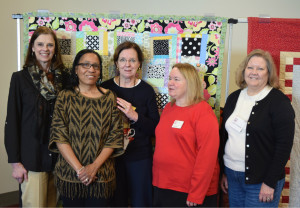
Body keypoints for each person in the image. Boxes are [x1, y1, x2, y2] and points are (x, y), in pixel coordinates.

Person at [49, 49, 124, 207]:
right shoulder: (65, 96)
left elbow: (115, 135)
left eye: (95, 66)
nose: (91, 69)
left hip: (102, 175)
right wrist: (80, 170)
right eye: (86, 65)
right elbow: (59, 135)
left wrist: (93, 167)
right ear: (76, 69)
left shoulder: (109, 97)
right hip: (70, 175)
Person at [220, 49, 295, 207]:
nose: (254, 72)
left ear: (269, 73)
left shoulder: (279, 102)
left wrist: (270, 182)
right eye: (250, 67)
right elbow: (225, 137)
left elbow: (284, 146)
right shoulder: (233, 97)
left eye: (260, 69)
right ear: (244, 70)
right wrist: (224, 172)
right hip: (232, 176)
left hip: (262, 181)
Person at [4, 26, 67, 207]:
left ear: (55, 49)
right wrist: (15, 163)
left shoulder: (63, 80)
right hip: (32, 157)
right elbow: (12, 121)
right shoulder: (20, 78)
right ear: (32, 47)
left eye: (49, 45)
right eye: (40, 44)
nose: (44, 49)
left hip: (58, 157)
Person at [101, 41, 160, 207]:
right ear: (116, 63)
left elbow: (155, 128)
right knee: (114, 202)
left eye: (132, 60)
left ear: (139, 64)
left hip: (140, 157)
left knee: (141, 202)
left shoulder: (147, 90)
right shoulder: (105, 88)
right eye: (123, 60)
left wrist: (134, 116)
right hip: (110, 157)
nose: (127, 65)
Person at [152, 63, 220, 207]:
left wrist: (197, 193)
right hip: (163, 184)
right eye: (170, 78)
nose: (170, 83)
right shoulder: (168, 108)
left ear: (190, 83)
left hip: (188, 189)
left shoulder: (203, 112)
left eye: (176, 79)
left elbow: (207, 157)